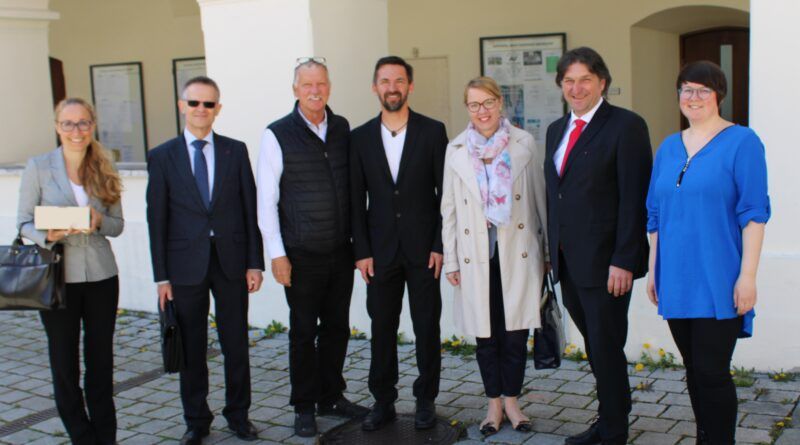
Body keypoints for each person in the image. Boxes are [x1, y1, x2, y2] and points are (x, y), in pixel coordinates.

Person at [646, 61, 770, 445]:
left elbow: (754, 213)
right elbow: (655, 215)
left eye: (703, 89)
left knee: (713, 370)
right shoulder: (669, 146)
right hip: (677, 277)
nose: (693, 97)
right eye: (686, 89)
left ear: (719, 95)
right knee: (694, 369)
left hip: (720, 276)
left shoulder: (743, 142)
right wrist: (654, 272)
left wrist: (747, 277)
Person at [146, 76, 264, 445]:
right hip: (184, 266)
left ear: (218, 109)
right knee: (192, 346)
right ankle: (197, 420)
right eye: (194, 103)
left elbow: (250, 209)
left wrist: (254, 262)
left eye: (208, 104)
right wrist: (162, 277)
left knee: (235, 344)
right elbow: (157, 219)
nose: (201, 110)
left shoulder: (234, 150)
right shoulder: (163, 156)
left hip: (230, 262)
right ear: (182, 106)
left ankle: (238, 415)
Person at [543, 47, 652, 445]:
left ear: (601, 82)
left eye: (584, 79)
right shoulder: (557, 130)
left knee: (606, 346)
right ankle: (610, 417)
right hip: (568, 261)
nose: (576, 88)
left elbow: (633, 197)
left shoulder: (626, 126)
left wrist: (624, 259)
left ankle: (613, 431)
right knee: (595, 346)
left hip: (607, 264)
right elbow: (556, 195)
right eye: (569, 80)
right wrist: (548, 252)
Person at [257, 58, 367, 438]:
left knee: (337, 327)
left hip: (339, 250)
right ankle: (304, 405)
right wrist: (277, 254)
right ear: (295, 90)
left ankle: (331, 396)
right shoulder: (276, 134)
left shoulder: (341, 128)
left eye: (320, 83)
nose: (315, 90)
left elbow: (352, 187)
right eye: (307, 85)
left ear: (329, 87)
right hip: (300, 254)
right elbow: (266, 201)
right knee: (303, 331)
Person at [441, 76, 548, 436]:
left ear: (500, 103)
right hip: (475, 256)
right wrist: (452, 260)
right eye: (474, 104)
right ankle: (492, 405)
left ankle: (514, 403)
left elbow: (538, 201)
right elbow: (450, 211)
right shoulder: (455, 150)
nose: (482, 111)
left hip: (517, 254)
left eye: (488, 102)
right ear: (467, 108)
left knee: (516, 334)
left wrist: (545, 252)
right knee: (485, 337)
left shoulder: (524, 144)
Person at [17, 97, 124, 444]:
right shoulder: (38, 166)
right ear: (57, 126)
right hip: (57, 277)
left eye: (83, 123)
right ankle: (82, 435)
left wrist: (98, 221)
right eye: (68, 123)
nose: (76, 131)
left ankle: (105, 435)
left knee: (101, 362)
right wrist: (46, 234)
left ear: (92, 125)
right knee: (64, 363)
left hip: (101, 277)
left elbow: (118, 225)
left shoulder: (106, 164)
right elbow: (23, 223)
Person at [350, 55, 447, 431]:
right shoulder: (358, 138)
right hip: (379, 251)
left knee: (427, 327)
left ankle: (426, 400)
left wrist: (440, 244)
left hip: (425, 250)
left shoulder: (432, 131)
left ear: (410, 85)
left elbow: (445, 195)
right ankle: (383, 401)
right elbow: (356, 199)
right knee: (382, 329)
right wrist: (361, 251)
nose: (392, 87)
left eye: (399, 80)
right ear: (375, 87)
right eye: (385, 81)